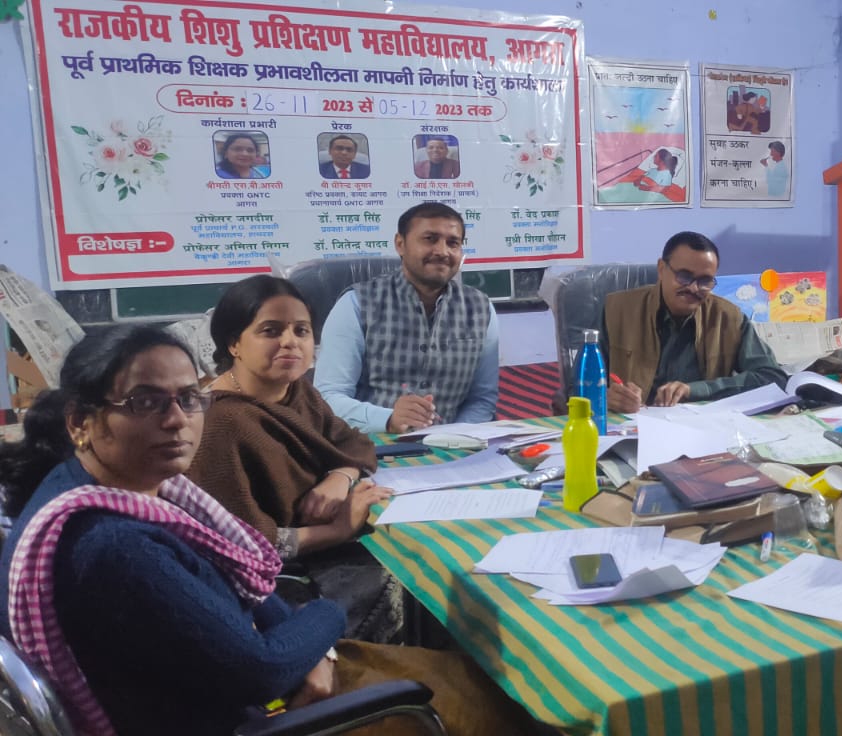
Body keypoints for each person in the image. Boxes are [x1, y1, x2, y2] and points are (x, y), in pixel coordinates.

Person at [0, 325, 539, 736]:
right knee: (505, 702)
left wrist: (314, 651)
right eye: (145, 402)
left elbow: (247, 588)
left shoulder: (96, 487)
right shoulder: (113, 545)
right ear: (81, 421)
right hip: (244, 717)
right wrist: (324, 617)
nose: (176, 419)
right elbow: (261, 670)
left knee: (465, 669)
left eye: (188, 398)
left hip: (235, 672)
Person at [188, 275, 401, 643]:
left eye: (301, 330)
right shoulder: (219, 422)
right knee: (408, 583)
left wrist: (339, 478)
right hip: (269, 584)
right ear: (234, 343)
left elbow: (353, 443)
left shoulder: (296, 391)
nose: (290, 342)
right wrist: (338, 530)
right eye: (271, 330)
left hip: (323, 548)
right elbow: (245, 545)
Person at [315, 202, 499, 433]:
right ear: (400, 244)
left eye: (453, 243)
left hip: (455, 443)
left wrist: (456, 436)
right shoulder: (356, 304)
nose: (442, 251)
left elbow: (482, 399)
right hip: (371, 442)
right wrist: (388, 419)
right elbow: (327, 397)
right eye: (430, 239)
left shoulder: (480, 309)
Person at [600, 231, 786, 412]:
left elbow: (772, 377)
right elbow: (585, 385)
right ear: (661, 269)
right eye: (684, 276)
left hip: (701, 425)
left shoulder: (728, 318)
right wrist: (606, 397)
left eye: (705, 281)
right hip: (632, 424)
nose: (694, 288)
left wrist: (697, 390)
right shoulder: (616, 310)